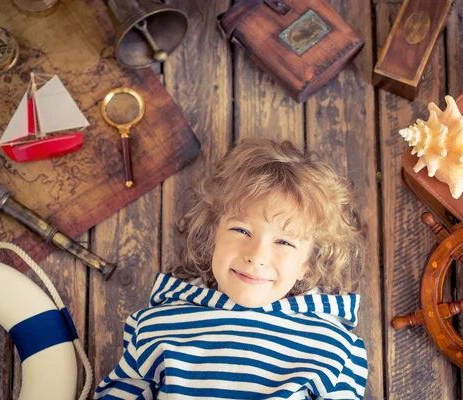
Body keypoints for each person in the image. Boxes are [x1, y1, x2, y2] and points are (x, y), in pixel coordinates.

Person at [94, 138, 368, 399]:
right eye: (241, 229)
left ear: (306, 266)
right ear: (213, 236)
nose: (257, 255)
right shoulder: (158, 326)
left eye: (284, 241)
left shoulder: (333, 346)